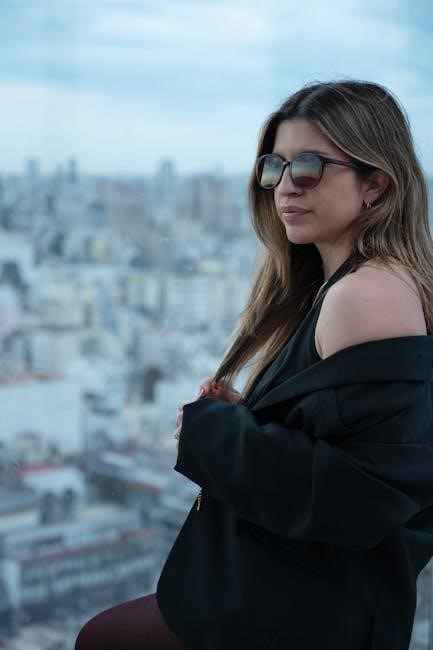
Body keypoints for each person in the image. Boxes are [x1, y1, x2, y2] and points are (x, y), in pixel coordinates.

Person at [76, 80, 433, 650]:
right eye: (275, 166)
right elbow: (353, 443)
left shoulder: (367, 294)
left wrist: (213, 430)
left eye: (310, 166)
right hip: (300, 596)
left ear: (375, 184)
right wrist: (258, 415)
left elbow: (367, 497)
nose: (285, 185)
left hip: (305, 613)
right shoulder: (342, 284)